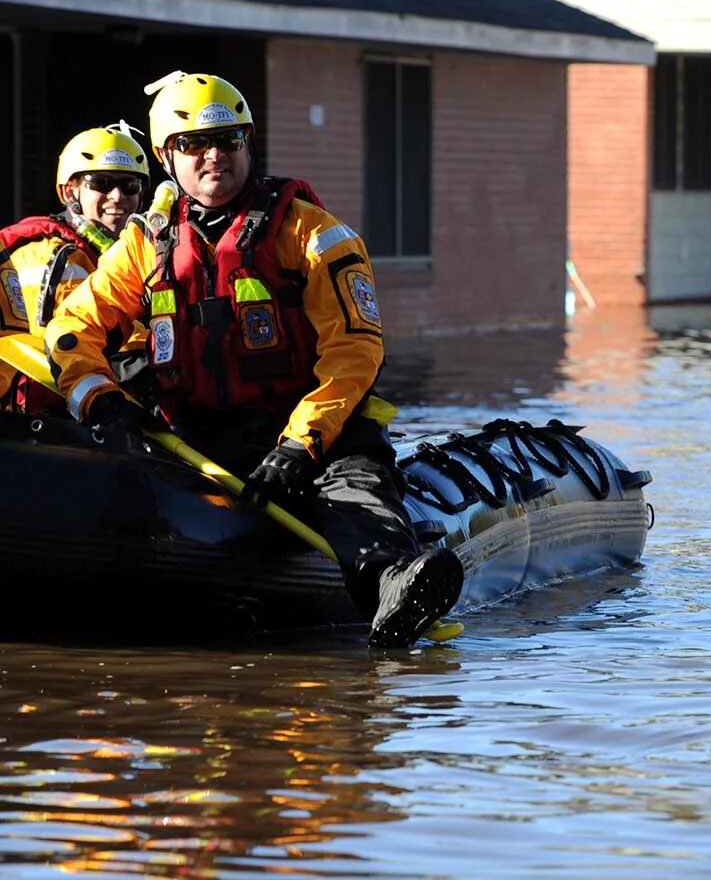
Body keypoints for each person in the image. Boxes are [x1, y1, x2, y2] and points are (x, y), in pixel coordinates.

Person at [45, 71, 462, 648]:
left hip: (315, 434)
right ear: (168, 158)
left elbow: (355, 349)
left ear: (248, 145)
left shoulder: (313, 233)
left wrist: (300, 444)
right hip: (201, 439)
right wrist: (99, 396)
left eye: (230, 141)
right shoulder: (146, 244)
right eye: (194, 145)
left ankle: (395, 584)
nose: (214, 155)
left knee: (354, 493)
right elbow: (72, 328)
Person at [0, 124, 149, 412]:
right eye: (102, 184)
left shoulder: (122, 253)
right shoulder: (57, 257)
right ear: (71, 192)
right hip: (54, 419)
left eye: (130, 186)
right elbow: (68, 344)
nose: (118, 196)